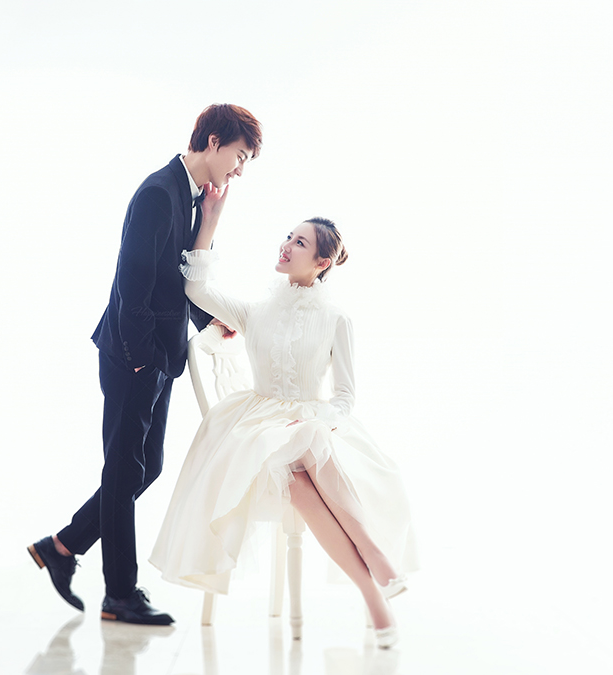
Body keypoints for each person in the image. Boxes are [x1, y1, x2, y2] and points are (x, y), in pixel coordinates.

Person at [27, 104, 263, 625]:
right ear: (214, 141)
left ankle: (61, 548)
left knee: (144, 467)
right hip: (133, 357)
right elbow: (131, 285)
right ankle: (119, 595)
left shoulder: (193, 195)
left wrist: (206, 315)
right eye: (240, 156)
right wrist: (141, 360)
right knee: (123, 472)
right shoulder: (159, 193)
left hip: (157, 355)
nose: (240, 169)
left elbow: (178, 277)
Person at [149, 196, 417, 648]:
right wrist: (210, 220)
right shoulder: (256, 311)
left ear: (322, 262)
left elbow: (345, 397)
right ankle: (376, 570)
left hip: (313, 425)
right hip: (255, 426)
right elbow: (196, 289)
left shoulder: (336, 319)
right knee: (294, 458)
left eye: (300, 243)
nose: (286, 246)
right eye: (288, 237)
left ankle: (375, 591)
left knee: (302, 461)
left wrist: (321, 421)